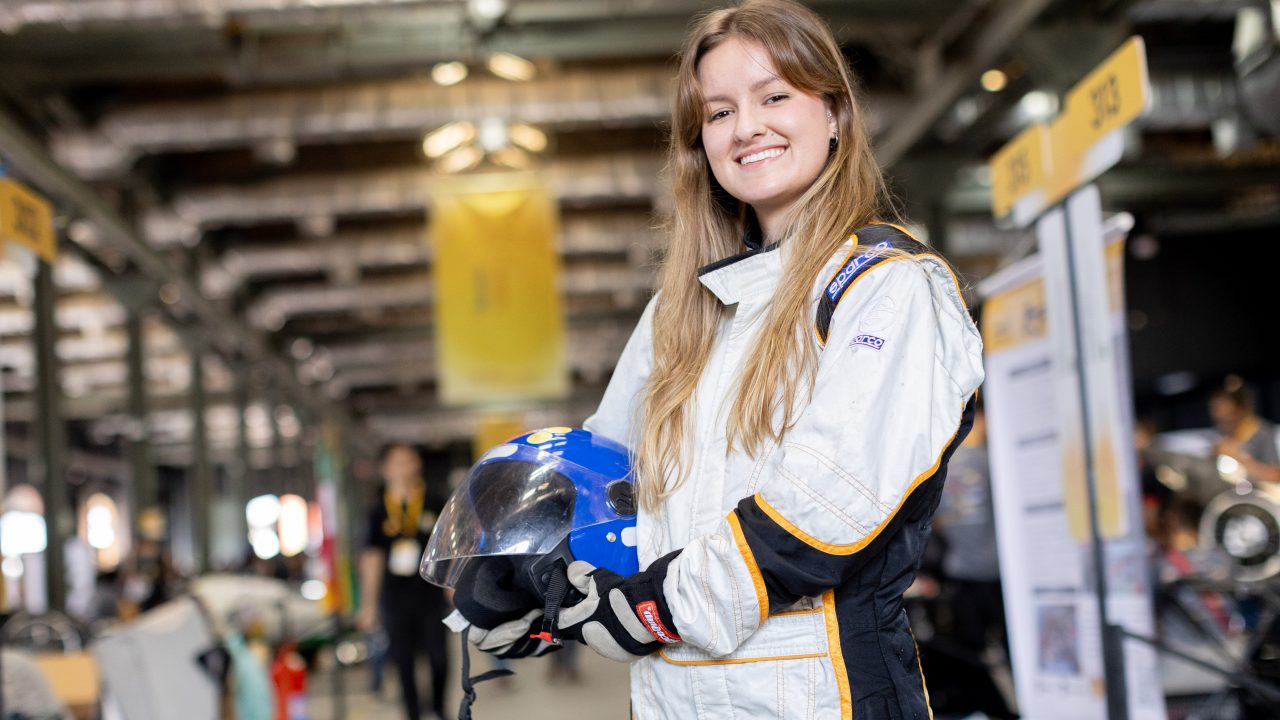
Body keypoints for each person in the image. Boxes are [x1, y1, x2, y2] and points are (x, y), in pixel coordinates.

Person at [453, 1, 983, 717]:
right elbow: (609, 474)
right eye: (720, 112)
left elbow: (819, 516)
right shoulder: (681, 312)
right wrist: (528, 577)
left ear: (834, 115)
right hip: (671, 697)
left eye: (775, 97)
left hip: (823, 695)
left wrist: (650, 608)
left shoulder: (887, 288)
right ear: (699, 142)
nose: (748, 128)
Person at [358, 444, 450, 720]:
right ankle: (412, 713)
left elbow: (448, 549)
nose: (404, 467)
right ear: (385, 469)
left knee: (439, 660)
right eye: (397, 462)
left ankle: (437, 708)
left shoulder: (434, 502)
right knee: (404, 662)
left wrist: (452, 589)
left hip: (430, 594)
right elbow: (372, 558)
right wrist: (369, 606)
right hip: (394, 598)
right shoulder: (377, 510)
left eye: (410, 460)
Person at [1210, 376, 1280, 485]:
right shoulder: (1220, 435)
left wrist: (1236, 456)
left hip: (1255, 496)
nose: (1223, 424)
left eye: (1228, 418)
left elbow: (1275, 475)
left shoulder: (1261, 432)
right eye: (1219, 420)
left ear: (1241, 410)